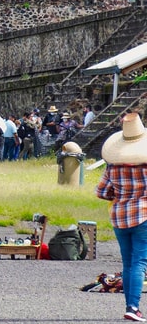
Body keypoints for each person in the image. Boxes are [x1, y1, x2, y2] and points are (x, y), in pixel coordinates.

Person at [96, 108, 147, 322]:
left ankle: (130, 306)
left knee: (127, 262)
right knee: (140, 261)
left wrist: (121, 197)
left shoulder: (113, 166)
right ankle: (133, 306)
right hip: (144, 214)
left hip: (119, 217)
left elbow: (101, 192)